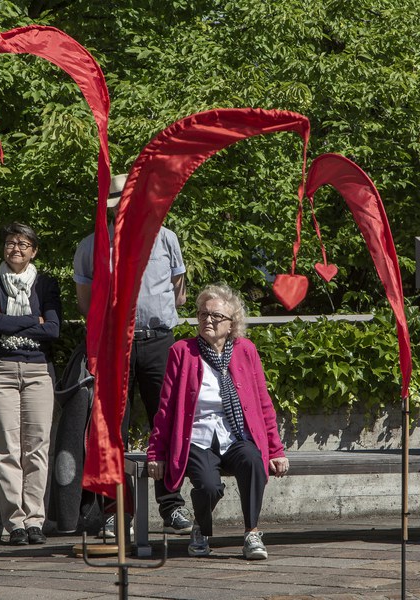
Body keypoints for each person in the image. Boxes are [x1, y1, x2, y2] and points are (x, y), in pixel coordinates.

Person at [72, 173, 193, 536]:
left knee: (167, 422)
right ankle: (115, 512)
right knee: (112, 429)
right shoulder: (92, 246)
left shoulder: (166, 239)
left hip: (159, 341)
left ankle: (171, 506)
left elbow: (180, 294)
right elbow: (84, 303)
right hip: (114, 345)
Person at [146, 284, 289, 559]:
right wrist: (156, 453)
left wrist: (276, 450)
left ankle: (252, 533)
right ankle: (201, 528)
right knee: (209, 486)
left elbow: (263, 404)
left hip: (234, 435)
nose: (207, 320)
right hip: (197, 438)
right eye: (202, 314)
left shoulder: (246, 350)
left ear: (232, 323)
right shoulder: (182, 351)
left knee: (253, 461)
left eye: (215, 316)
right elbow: (165, 408)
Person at [0, 222, 61, 545]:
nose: (16, 249)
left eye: (24, 244)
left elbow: (53, 329)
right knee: (6, 450)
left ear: (34, 251)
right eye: (11, 243)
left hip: (38, 372)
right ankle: (15, 523)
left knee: (37, 448)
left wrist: (10, 325)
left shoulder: (46, 284)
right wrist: (32, 322)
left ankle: (35, 520)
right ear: (3, 248)